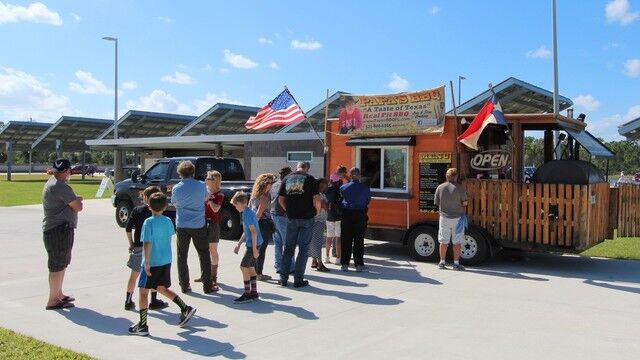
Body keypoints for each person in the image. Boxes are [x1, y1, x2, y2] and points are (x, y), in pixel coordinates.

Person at [128, 192, 196, 336]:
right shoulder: (168, 221)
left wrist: (146, 261)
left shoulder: (149, 222)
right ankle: (185, 308)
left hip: (151, 262)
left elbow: (147, 242)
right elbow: (168, 236)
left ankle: (143, 325)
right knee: (161, 288)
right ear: (165, 206)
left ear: (149, 206)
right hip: (165, 260)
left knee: (143, 292)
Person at [42, 158, 83, 310]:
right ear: (66, 171)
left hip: (59, 229)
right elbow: (78, 206)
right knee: (57, 265)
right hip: (58, 229)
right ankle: (53, 299)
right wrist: (77, 200)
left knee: (61, 263)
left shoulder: (53, 183)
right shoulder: (60, 186)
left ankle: (58, 294)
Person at [170, 160, 213, 294]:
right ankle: (207, 286)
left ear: (180, 173)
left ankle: (184, 285)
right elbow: (206, 198)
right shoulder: (201, 185)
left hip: (182, 224)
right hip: (198, 223)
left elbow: (174, 203)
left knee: (182, 255)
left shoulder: (177, 188)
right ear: (193, 172)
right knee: (204, 254)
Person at [124, 186, 168, 311]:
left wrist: (131, 243)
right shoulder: (157, 213)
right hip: (153, 249)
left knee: (134, 275)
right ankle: (153, 300)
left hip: (138, 246)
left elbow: (128, 228)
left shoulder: (137, 210)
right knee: (154, 276)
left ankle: (128, 300)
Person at [278, 161, 320, 288]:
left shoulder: (286, 178)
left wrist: (288, 210)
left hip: (292, 217)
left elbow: (280, 200)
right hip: (307, 217)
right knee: (303, 249)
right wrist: (316, 212)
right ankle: (298, 280)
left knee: (289, 248)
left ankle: (283, 279)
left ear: (297, 167)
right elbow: (317, 199)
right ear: (307, 168)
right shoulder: (310, 179)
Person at [194, 170, 224, 292]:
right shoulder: (204, 192)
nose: (205, 180)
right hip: (202, 222)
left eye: (208, 178)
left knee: (212, 250)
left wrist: (210, 198)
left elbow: (215, 209)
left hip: (212, 224)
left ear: (214, 181)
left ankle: (213, 276)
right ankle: (204, 275)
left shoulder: (219, 195)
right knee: (203, 250)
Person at [434, 168, 468, 271]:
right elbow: (465, 203)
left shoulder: (440, 187)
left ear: (446, 176)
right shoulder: (460, 188)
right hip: (457, 219)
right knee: (457, 242)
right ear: (456, 176)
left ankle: (442, 262)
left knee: (443, 241)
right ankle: (456, 264)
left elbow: (436, 202)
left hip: (443, 218)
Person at [231, 191, 262, 303]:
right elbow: (247, 231)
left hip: (253, 245)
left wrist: (254, 250)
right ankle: (254, 292)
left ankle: (247, 293)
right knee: (250, 268)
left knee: (243, 267)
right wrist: (239, 244)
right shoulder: (247, 212)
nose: (235, 207)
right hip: (255, 243)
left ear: (240, 203)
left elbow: (253, 232)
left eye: (235, 205)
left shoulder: (247, 214)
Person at [339, 167, 371, 272]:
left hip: (347, 214)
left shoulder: (343, 187)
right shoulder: (365, 188)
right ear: (359, 176)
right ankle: (358, 264)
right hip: (360, 214)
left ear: (350, 175)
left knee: (346, 240)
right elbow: (367, 201)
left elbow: (339, 201)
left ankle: (344, 264)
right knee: (359, 240)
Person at [249, 173, 276, 281]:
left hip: (256, 223)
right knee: (261, 250)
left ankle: (254, 272)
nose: (272, 185)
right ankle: (259, 273)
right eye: (270, 183)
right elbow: (259, 213)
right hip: (263, 224)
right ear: (264, 184)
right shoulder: (264, 197)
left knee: (255, 249)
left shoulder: (254, 196)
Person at [270, 166, 294, 274]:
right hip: (282, 215)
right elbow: (283, 201)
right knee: (288, 242)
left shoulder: (274, 185)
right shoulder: (287, 185)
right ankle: (290, 266)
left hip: (273, 215)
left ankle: (279, 265)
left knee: (278, 242)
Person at [309, 178, 330, 272]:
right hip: (318, 220)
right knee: (318, 242)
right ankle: (320, 263)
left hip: (313, 220)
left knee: (313, 241)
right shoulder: (320, 195)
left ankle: (314, 261)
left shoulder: (311, 194)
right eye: (325, 184)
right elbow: (325, 206)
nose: (325, 186)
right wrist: (326, 205)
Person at [325, 176, 342, 265]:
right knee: (338, 237)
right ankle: (338, 259)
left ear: (331, 181)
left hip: (329, 216)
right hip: (338, 216)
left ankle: (327, 257)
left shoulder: (327, 190)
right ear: (338, 181)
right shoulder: (340, 190)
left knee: (329, 237)